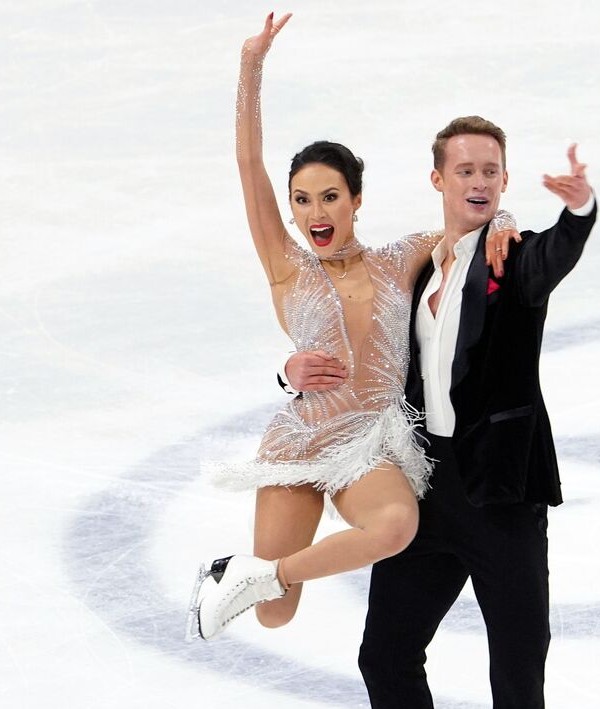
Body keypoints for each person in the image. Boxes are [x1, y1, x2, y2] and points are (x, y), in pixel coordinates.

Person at [281, 120, 597, 709]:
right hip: (427, 488)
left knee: (516, 673)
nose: (480, 181)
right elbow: (349, 339)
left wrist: (580, 211)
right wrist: (287, 372)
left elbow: (549, 264)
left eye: (491, 169)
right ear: (438, 181)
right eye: (465, 170)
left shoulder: (510, 257)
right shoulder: (413, 266)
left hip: (503, 498)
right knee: (385, 655)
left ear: (502, 179)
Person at [185, 13, 517, 643]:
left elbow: (468, 226)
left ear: (355, 200)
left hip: (367, 442)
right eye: (303, 200)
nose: (315, 212)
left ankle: (249, 573)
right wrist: (250, 68)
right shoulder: (286, 267)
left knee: (396, 527)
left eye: (330, 196)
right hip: (298, 440)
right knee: (276, 612)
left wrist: (506, 220)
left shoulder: (400, 259)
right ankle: (257, 582)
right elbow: (247, 162)